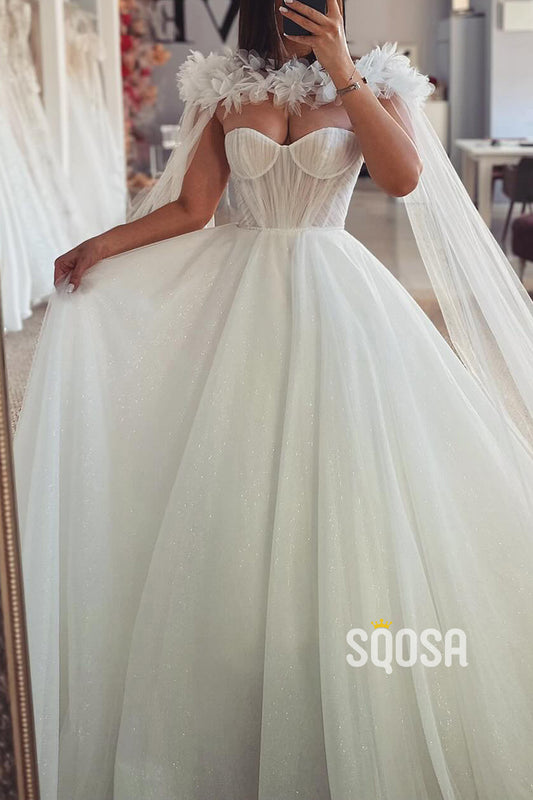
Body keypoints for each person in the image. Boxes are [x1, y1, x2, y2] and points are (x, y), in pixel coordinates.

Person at [14, 1, 533, 798]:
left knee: (350, 484)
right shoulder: (225, 90)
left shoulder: (377, 83)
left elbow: (402, 178)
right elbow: (194, 209)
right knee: (236, 484)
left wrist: (343, 69)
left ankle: (352, 670)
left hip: (339, 301)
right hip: (242, 302)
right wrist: (100, 245)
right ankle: (244, 680)